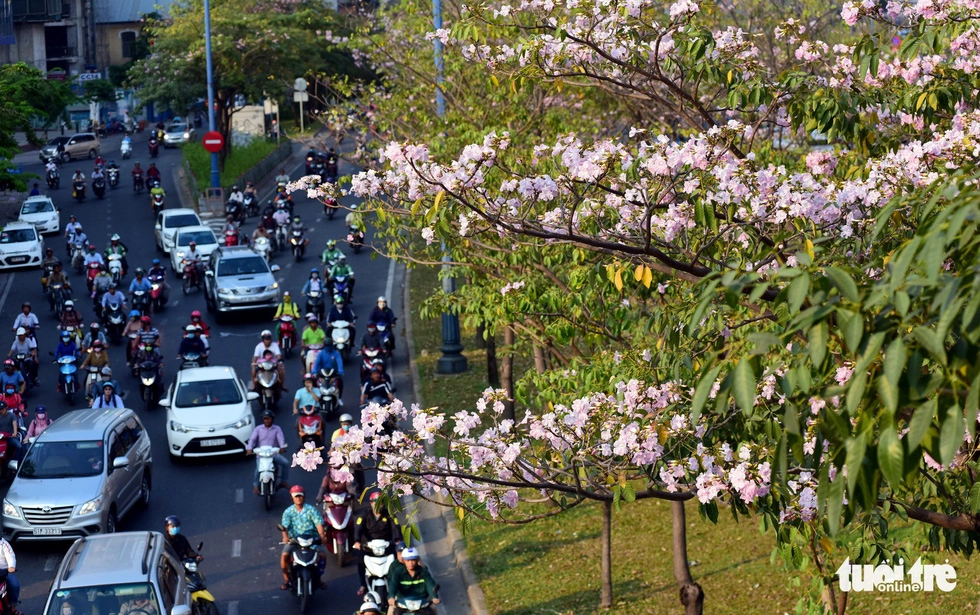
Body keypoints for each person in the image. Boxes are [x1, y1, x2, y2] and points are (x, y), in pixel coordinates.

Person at [279, 485, 328, 591]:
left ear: (304, 497)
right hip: (295, 541)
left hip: (312, 539)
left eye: (300, 496)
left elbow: (319, 523)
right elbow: (284, 527)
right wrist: (285, 537)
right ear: (292, 498)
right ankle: (286, 579)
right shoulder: (288, 512)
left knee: (322, 555)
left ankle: (318, 578)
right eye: (296, 496)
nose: (298, 498)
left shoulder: (311, 510)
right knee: (284, 555)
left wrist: (322, 536)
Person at [353, 491, 401, 596]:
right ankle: (363, 585)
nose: (377, 505)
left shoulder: (389, 515)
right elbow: (358, 528)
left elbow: (396, 527)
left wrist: (398, 540)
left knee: (397, 561)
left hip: (386, 546)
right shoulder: (364, 515)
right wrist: (357, 541)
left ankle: (397, 584)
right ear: (371, 503)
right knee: (361, 562)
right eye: (375, 502)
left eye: (380, 502)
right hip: (368, 547)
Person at [246, 411, 290, 494]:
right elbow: (252, 439)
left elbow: (280, 438)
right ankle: (255, 485)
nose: (267, 421)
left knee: (285, 463)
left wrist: (282, 447)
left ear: (272, 419)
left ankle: (283, 481)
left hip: (273, 453)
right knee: (258, 470)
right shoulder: (258, 429)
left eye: (268, 419)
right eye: (265, 419)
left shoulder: (277, 428)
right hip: (261, 455)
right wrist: (249, 448)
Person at [387, 547, 440, 613]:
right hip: (402, 603)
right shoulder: (398, 573)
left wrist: (434, 597)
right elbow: (393, 585)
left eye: (413, 560)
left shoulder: (423, 572)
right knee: (391, 610)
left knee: (434, 609)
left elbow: (430, 584)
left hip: (422, 603)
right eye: (408, 560)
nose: (411, 563)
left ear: (417, 560)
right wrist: (391, 597)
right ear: (403, 561)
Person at [0, 535, 22, 614]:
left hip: (3, 572)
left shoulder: (3, 544)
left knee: (14, 584)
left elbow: (10, 556)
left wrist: (11, 567)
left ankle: (13, 607)